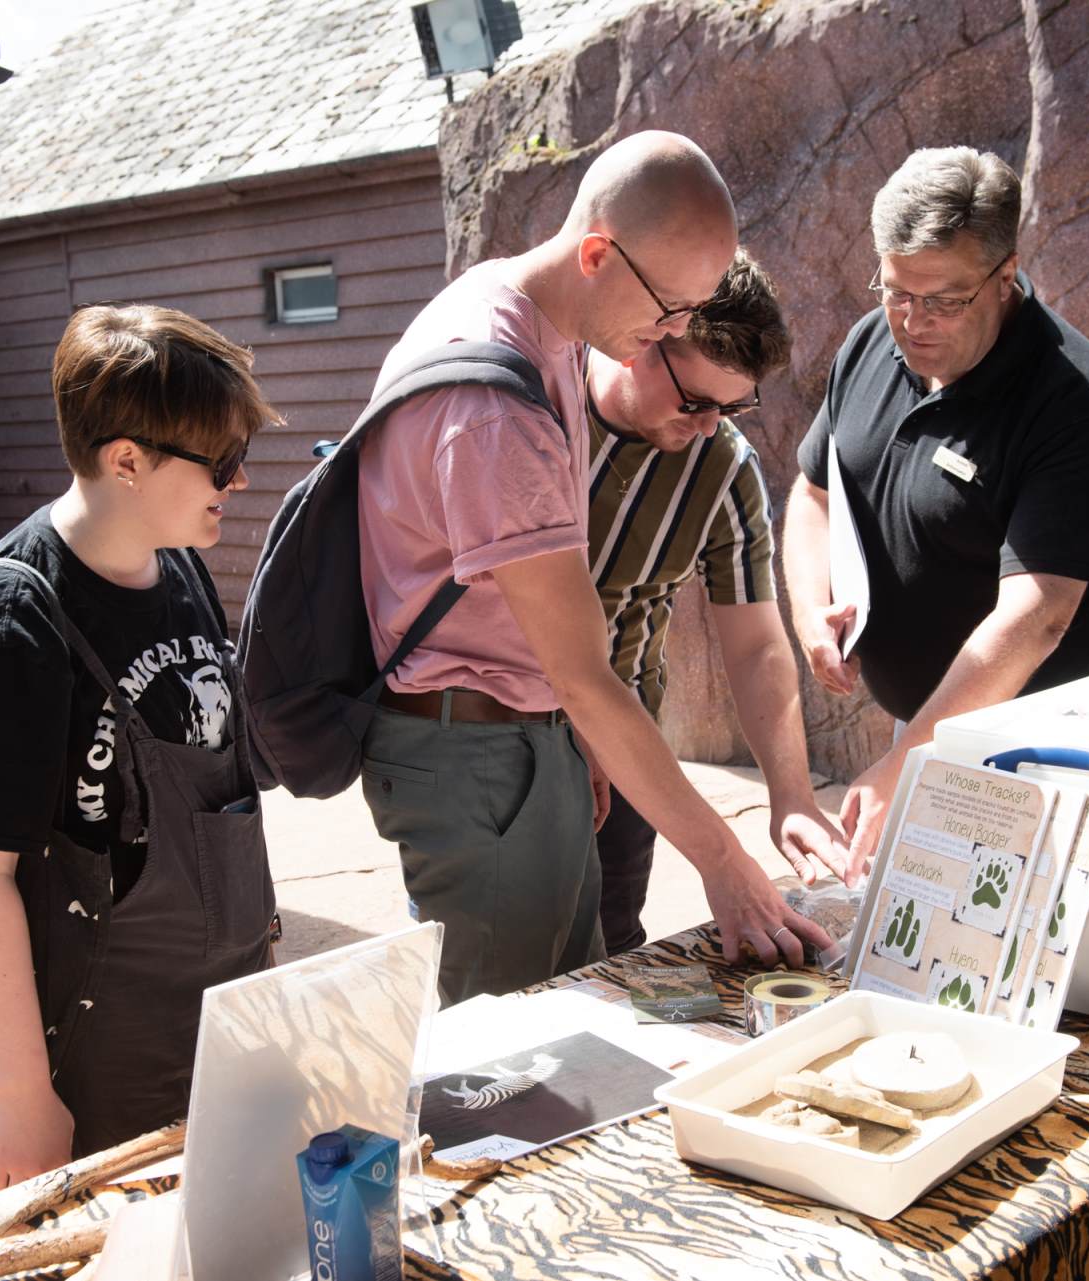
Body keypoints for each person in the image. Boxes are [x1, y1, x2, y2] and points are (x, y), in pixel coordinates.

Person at [356, 130, 832, 1004]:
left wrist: (582, 740)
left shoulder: (546, 331)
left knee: (573, 1003)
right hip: (483, 748)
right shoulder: (499, 404)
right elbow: (581, 669)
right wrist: (723, 861)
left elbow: (582, 668)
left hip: (538, 737)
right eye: (671, 310)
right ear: (598, 255)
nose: (676, 327)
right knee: (507, 1043)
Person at [0, 304, 281, 1187]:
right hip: (98, 1054)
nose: (236, 481)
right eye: (221, 461)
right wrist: (23, 1097)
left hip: (231, 1019)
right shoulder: (6, 622)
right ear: (126, 461)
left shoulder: (181, 563)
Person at [782, 146, 1089, 875]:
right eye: (896, 291)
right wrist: (809, 609)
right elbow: (813, 492)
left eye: (944, 301)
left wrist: (911, 761)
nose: (913, 322)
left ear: (1005, 277)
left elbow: (1037, 615)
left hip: (1049, 749)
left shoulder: (1081, 403)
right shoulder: (869, 343)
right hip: (924, 730)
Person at [584, 249, 850, 956]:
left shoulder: (724, 465)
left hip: (629, 741)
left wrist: (791, 794)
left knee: (613, 943)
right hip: (494, 726)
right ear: (644, 339)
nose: (709, 427)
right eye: (696, 402)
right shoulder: (541, 406)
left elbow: (757, 644)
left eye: (732, 407)